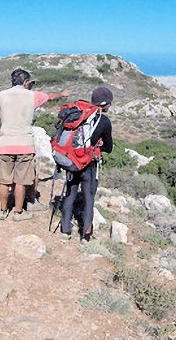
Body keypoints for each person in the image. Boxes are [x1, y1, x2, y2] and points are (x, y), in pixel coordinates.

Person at [0, 68, 69, 221]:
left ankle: (3, 211)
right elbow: (50, 96)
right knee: (21, 181)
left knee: (4, 181)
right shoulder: (32, 96)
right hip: (25, 144)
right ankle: (18, 212)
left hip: (5, 143)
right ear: (26, 83)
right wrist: (62, 94)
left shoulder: (0, 96)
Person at [60, 86, 113, 241]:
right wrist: (97, 146)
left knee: (70, 192)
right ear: (106, 104)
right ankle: (86, 235)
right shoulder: (103, 121)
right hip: (88, 163)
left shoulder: (79, 114)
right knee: (88, 196)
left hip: (71, 158)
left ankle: (65, 229)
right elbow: (108, 148)